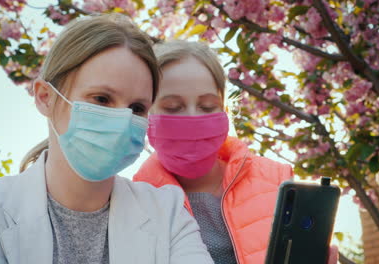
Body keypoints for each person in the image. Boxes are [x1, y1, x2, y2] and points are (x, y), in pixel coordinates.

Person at [0, 15, 213, 264]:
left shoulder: (168, 212)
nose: (122, 119)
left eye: (137, 108)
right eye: (102, 99)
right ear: (45, 97)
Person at [133, 40, 338, 264]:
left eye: (207, 107)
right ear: (146, 113)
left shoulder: (276, 182)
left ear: (224, 109)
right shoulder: (132, 203)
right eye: (173, 107)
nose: (193, 118)